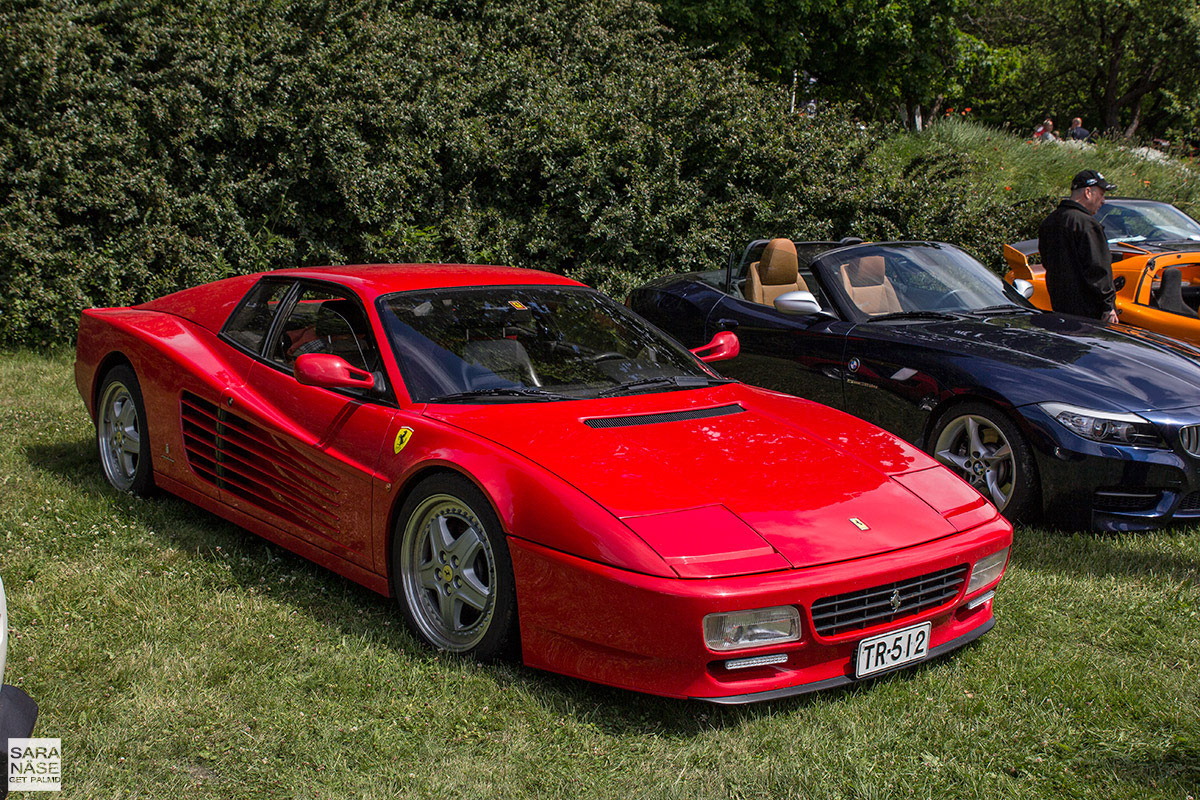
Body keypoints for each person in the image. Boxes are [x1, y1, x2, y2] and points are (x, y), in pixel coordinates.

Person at [1038, 169, 1119, 323]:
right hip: (1089, 313)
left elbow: (1047, 262)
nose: (1103, 201)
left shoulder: (1050, 221)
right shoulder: (1087, 225)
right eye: (1101, 194)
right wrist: (1108, 306)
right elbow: (1097, 269)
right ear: (1088, 192)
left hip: (1060, 307)